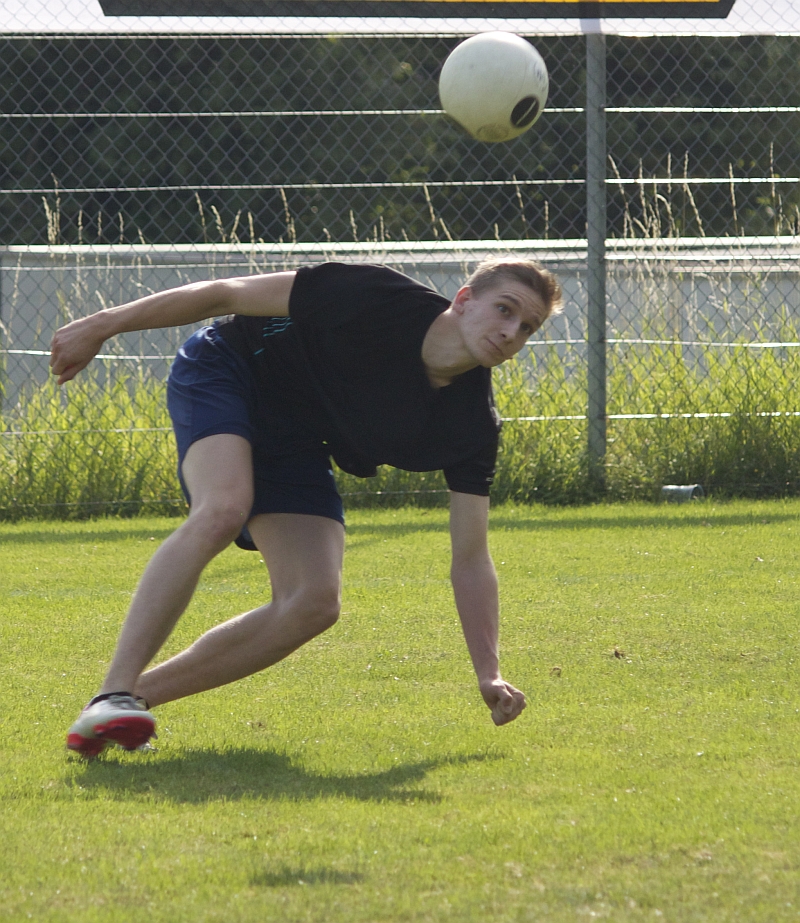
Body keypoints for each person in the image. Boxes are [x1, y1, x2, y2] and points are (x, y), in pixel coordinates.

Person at [50, 259, 562, 758]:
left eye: (527, 327)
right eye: (504, 309)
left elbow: (471, 558)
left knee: (314, 602)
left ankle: (125, 703)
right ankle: (115, 690)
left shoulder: (471, 425)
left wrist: (489, 673)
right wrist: (103, 325)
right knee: (223, 510)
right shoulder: (375, 297)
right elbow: (225, 293)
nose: (511, 332)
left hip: (295, 433)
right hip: (230, 367)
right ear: (464, 299)